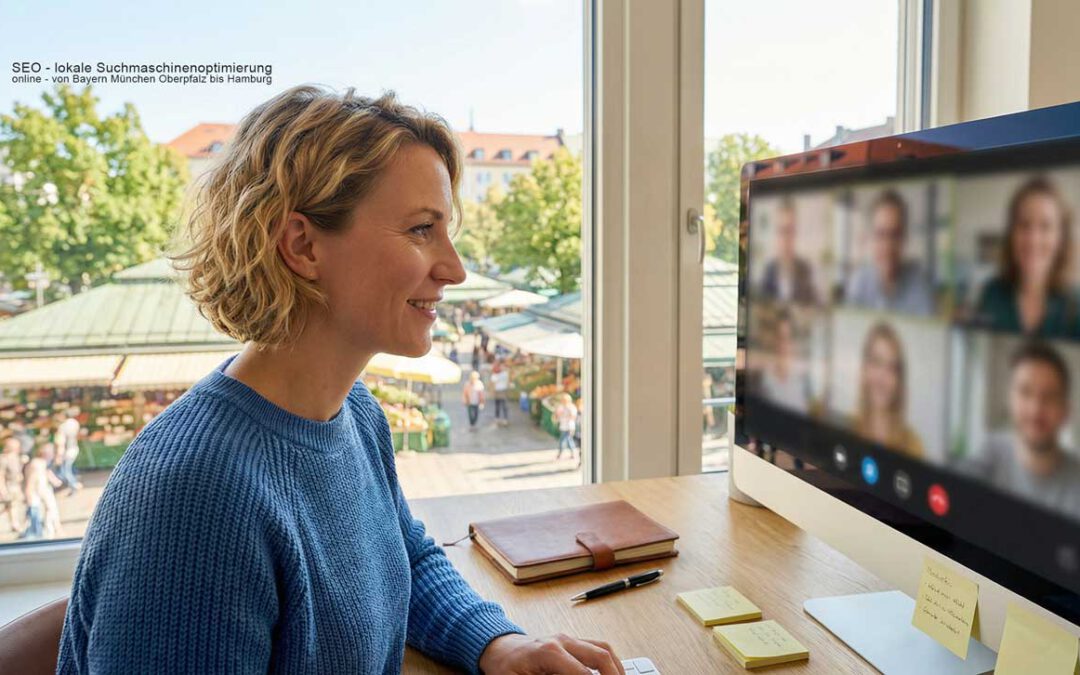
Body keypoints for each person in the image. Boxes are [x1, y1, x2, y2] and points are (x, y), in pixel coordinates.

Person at [57, 86, 624, 674]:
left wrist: (500, 646)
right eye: (422, 230)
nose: (454, 268)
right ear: (302, 245)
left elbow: (403, 557)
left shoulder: (353, 411)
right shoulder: (196, 499)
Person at [958, 342, 1080, 519]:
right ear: (1010, 400)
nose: (1035, 409)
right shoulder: (988, 453)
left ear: (1065, 410)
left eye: (1049, 396)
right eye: (1025, 392)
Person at [974, 176, 1080, 338]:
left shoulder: (1076, 306)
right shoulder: (991, 295)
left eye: (1046, 226)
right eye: (1024, 224)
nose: (1033, 239)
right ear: (1012, 233)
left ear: (1061, 238)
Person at [845, 190, 934, 315]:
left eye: (895, 235)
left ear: (905, 238)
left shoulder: (920, 283)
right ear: (871, 238)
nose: (887, 246)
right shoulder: (859, 281)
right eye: (880, 234)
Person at [852, 322, 925, 458]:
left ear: (899, 381)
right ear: (864, 368)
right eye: (876, 362)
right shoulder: (846, 428)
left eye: (891, 368)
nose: (882, 378)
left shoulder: (913, 445)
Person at [759, 199, 818, 304]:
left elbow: (813, 307)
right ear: (776, 234)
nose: (786, 238)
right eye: (782, 231)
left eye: (790, 230)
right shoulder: (768, 272)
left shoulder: (805, 270)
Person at [758, 308, 811, 413]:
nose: (783, 344)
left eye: (787, 338)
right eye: (779, 337)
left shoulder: (802, 375)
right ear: (774, 339)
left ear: (793, 341)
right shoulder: (766, 375)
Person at [0, 436, 26, 534]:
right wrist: (2, 489)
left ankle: (15, 524)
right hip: (8, 485)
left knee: (12, 505)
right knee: (10, 505)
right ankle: (15, 524)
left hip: (16, 485)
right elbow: (1, 475)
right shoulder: (3, 459)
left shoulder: (16, 457)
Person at [56, 409, 83, 494]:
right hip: (74, 447)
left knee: (65, 471)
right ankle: (74, 483)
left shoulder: (63, 426)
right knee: (69, 468)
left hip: (66, 451)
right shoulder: (75, 422)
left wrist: (59, 455)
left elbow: (61, 442)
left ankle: (74, 485)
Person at [554, 392, 579, 464]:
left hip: (569, 427)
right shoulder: (561, 407)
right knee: (568, 440)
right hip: (563, 426)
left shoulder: (571, 407)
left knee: (564, 440)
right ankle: (573, 453)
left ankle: (560, 454)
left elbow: (573, 417)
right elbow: (557, 416)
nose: (563, 401)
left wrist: (566, 415)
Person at [491, 361, 511, 426]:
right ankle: (504, 419)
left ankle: (498, 418)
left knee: (499, 405)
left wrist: (493, 392)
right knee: (503, 405)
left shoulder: (496, 374)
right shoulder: (504, 373)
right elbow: (508, 382)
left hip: (499, 391)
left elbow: (493, 384)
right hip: (502, 391)